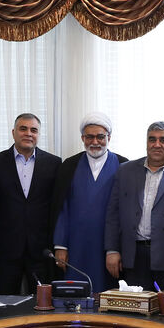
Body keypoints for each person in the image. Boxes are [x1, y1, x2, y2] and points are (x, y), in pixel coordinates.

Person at [104, 121, 164, 291]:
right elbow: (113, 213)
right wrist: (112, 250)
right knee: (136, 305)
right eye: (152, 139)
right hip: (133, 256)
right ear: (146, 142)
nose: (157, 144)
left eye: (163, 140)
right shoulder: (125, 170)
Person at [51, 113, 127, 294]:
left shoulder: (124, 165)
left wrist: (116, 249)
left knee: (107, 295)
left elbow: (127, 212)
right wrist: (60, 246)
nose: (95, 142)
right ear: (82, 138)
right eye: (89, 137)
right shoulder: (69, 165)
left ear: (109, 137)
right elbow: (62, 208)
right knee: (76, 295)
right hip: (76, 245)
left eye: (100, 137)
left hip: (108, 246)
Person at [0, 113, 61, 294]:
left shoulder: (54, 163)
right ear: (13, 132)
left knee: (43, 302)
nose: (28, 133)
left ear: (39, 134)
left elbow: (56, 206)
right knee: (5, 302)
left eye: (33, 130)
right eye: (23, 129)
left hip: (41, 248)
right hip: (5, 248)